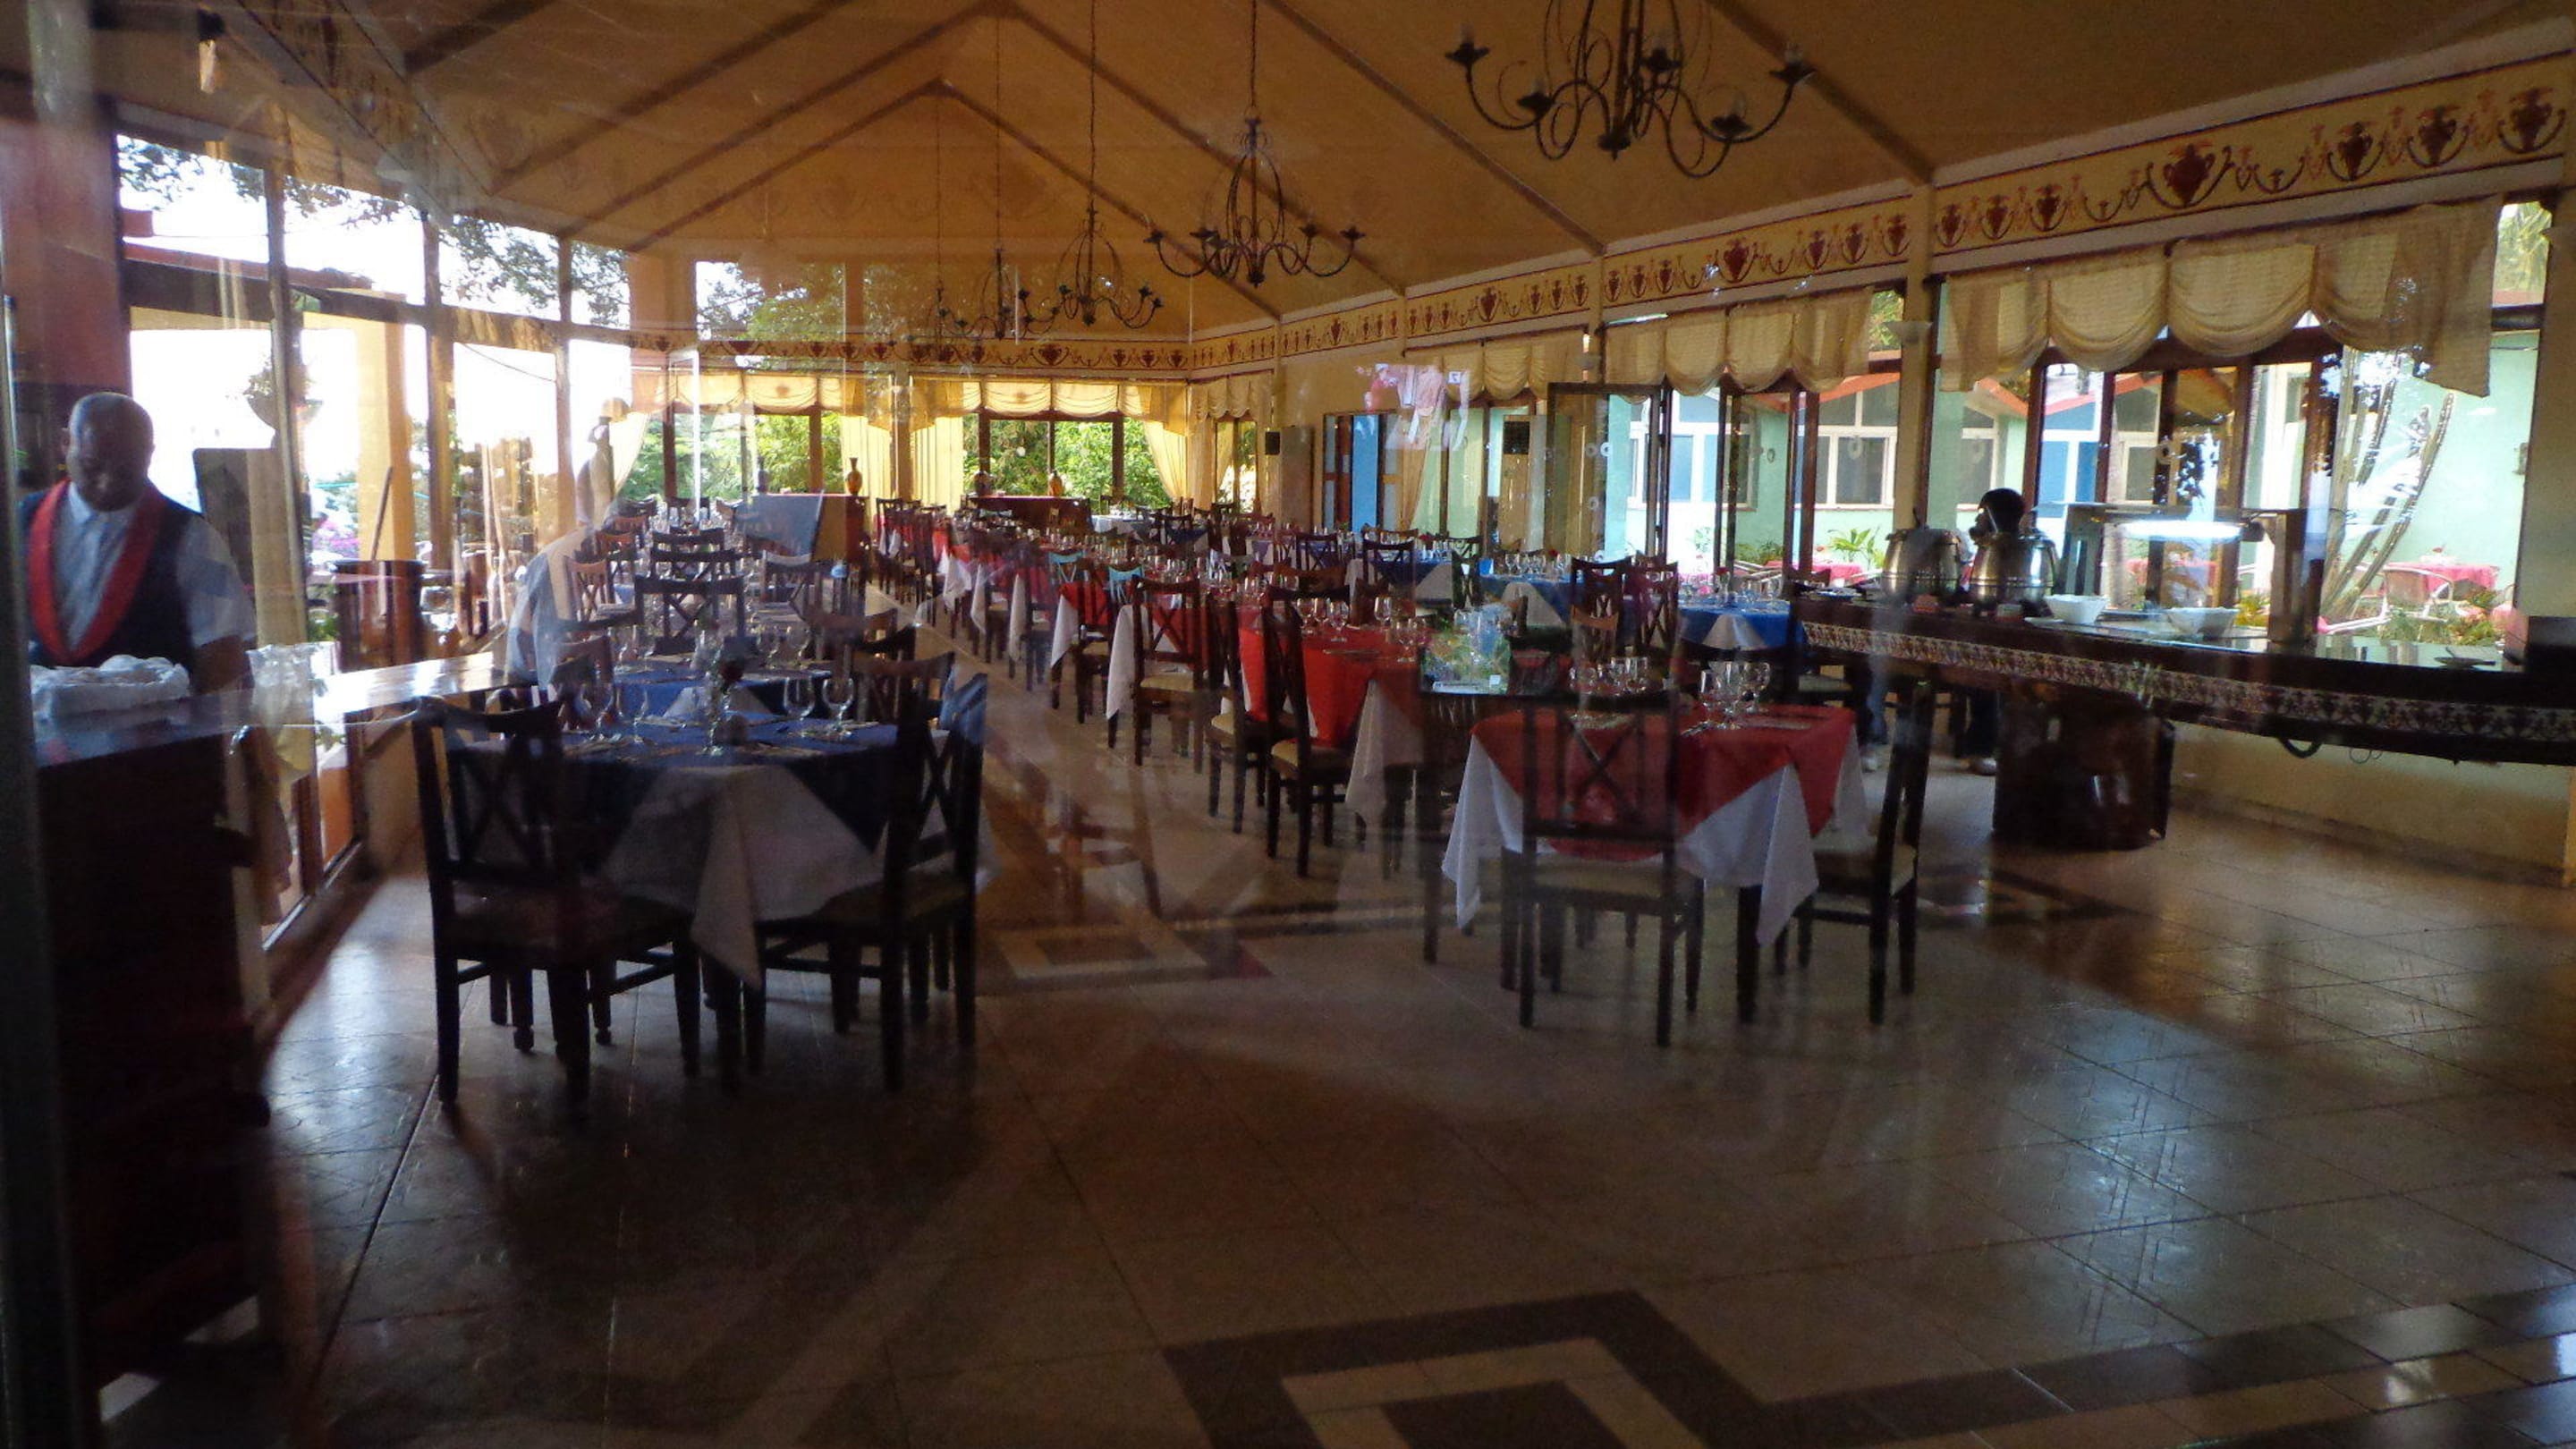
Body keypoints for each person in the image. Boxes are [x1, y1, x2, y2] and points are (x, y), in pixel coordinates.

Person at [20, 393, 253, 692]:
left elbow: (222, 651)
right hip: (37, 719)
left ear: (149, 454)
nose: (107, 482)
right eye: (92, 465)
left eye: (126, 470)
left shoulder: (193, 538)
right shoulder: (20, 523)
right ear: (65, 443)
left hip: (157, 719)